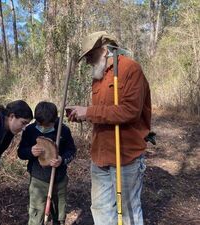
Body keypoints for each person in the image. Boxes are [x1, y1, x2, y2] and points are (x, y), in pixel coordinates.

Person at [67, 31, 151, 225]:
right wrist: (82, 115)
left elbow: (130, 112)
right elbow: (104, 113)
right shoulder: (98, 75)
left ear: (104, 50)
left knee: (129, 212)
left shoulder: (131, 69)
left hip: (125, 156)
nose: (87, 61)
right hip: (100, 156)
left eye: (90, 55)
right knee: (100, 209)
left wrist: (88, 112)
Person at [18, 101, 77, 225]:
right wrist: (30, 151)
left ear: (54, 120)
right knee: (36, 214)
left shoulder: (63, 130)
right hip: (38, 180)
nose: (44, 127)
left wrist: (62, 160)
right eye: (40, 124)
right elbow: (21, 153)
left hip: (59, 180)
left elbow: (71, 151)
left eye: (47, 125)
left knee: (59, 214)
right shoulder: (30, 130)